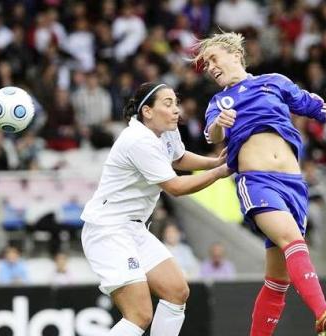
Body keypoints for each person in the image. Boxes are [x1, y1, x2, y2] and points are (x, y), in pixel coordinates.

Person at [194, 32, 326, 336]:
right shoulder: (219, 102)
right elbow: (213, 135)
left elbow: (322, 110)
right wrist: (219, 125)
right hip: (257, 181)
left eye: (213, 58)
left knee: (278, 279)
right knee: (293, 240)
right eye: (205, 65)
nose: (210, 67)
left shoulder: (274, 82)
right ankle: (323, 313)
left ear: (235, 54)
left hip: (293, 185)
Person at [80, 82, 231, 336]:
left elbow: (179, 158)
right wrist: (219, 172)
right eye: (168, 104)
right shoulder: (137, 140)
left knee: (176, 291)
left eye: (176, 102)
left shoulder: (166, 131)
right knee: (139, 315)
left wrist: (214, 162)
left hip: (133, 228)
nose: (176, 110)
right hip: (108, 230)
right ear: (147, 111)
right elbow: (175, 186)